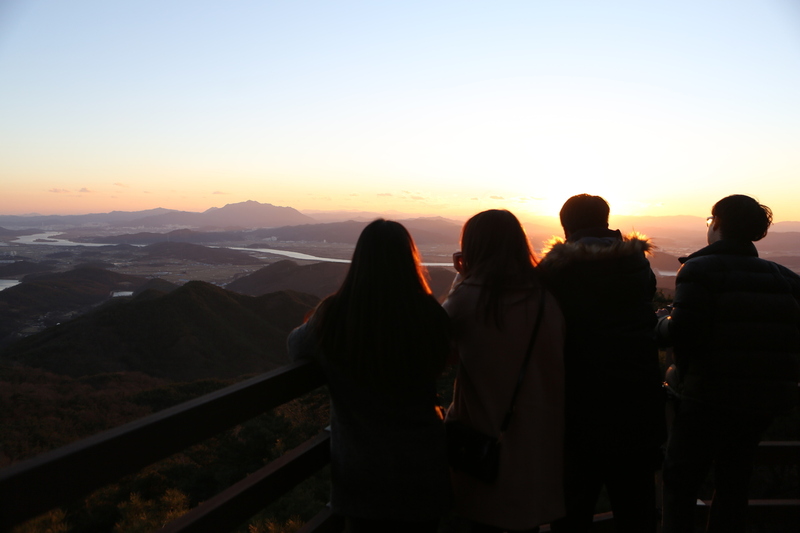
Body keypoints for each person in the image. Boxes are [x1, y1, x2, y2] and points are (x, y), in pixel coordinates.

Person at [287, 219, 452, 533]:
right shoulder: (429, 313)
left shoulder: (334, 314)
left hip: (362, 473)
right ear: (410, 258)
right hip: (423, 466)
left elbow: (295, 347)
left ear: (359, 260)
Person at [659, 195, 800, 533]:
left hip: (704, 398)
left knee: (681, 481)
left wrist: (662, 321)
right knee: (735, 483)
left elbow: (683, 332)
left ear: (718, 224)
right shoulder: (785, 279)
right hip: (758, 404)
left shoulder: (698, 269)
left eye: (710, 221)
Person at [538, 194, 666, 533]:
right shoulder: (637, 266)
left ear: (565, 228)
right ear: (607, 222)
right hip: (637, 407)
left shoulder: (554, 272)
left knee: (571, 510)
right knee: (636, 509)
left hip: (575, 409)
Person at [444, 209, 566, 533]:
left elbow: (441, 351)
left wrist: (462, 278)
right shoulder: (546, 300)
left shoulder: (467, 300)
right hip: (537, 457)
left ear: (472, 248)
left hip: (483, 461)